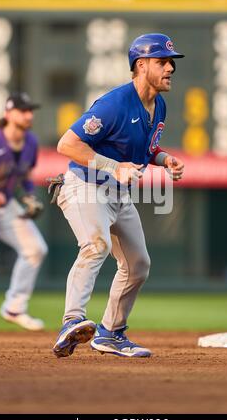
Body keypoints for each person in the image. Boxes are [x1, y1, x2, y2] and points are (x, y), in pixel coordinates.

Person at [52, 33, 185, 358]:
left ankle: (111, 333)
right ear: (141, 65)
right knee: (96, 245)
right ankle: (71, 321)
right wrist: (113, 166)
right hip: (85, 185)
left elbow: (146, 148)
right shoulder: (115, 103)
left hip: (118, 194)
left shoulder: (159, 105)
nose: (170, 68)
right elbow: (67, 144)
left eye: (171, 62)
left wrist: (164, 159)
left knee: (138, 264)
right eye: (162, 61)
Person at [0, 92, 48, 335]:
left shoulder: (31, 142)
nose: (28, 114)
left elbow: (24, 176)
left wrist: (29, 195)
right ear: (8, 114)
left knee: (35, 249)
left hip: (5, 205)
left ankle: (14, 307)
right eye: (23, 110)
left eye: (30, 110)